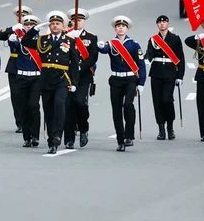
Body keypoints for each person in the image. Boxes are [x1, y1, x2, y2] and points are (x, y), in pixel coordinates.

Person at [21, 11, 79, 154]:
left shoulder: (69, 41)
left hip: (62, 78)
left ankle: (58, 135)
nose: (54, 26)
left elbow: (74, 64)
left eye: (57, 24)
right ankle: (51, 142)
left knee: (59, 105)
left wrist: (74, 83)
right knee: (48, 111)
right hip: (46, 79)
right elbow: (25, 41)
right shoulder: (43, 39)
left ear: (62, 26)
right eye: (52, 24)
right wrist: (35, 29)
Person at [97, 16, 146, 152]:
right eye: (118, 26)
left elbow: (141, 64)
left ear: (127, 28)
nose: (120, 28)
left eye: (123, 26)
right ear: (115, 29)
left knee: (128, 105)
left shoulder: (134, 44)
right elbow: (104, 50)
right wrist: (100, 46)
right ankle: (120, 140)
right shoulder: (111, 43)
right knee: (116, 110)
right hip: (116, 80)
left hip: (130, 79)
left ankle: (129, 136)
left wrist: (141, 83)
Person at [145, 15, 185, 140]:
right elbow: (150, 52)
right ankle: (161, 129)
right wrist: (147, 59)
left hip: (170, 73)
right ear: (157, 25)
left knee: (167, 100)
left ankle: (170, 127)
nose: (162, 24)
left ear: (168, 24)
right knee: (157, 102)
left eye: (164, 22)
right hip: (156, 74)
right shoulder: (153, 39)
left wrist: (180, 76)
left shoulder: (175, 39)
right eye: (159, 22)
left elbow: (180, 58)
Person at [64, 8, 98, 149]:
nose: (77, 22)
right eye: (75, 20)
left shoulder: (91, 37)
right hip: (67, 76)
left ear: (84, 21)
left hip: (83, 75)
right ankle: (69, 138)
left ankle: (84, 129)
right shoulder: (66, 36)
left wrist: (80, 67)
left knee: (80, 102)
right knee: (68, 106)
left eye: (80, 20)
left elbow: (93, 57)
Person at [0, 5, 34, 132]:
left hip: (29, 65)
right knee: (16, 96)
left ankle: (31, 121)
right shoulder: (14, 30)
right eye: (19, 15)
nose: (21, 17)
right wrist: (12, 29)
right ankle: (20, 122)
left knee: (30, 97)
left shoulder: (33, 31)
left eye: (23, 15)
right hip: (15, 66)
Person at [7, 14, 42, 148]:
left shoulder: (42, 41)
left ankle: (35, 136)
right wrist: (11, 37)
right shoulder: (19, 39)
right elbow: (12, 43)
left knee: (34, 105)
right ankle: (27, 137)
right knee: (23, 107)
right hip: (21, 77)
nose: (28, 27)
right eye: (26, 25)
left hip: (36, 77)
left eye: (31, 25)